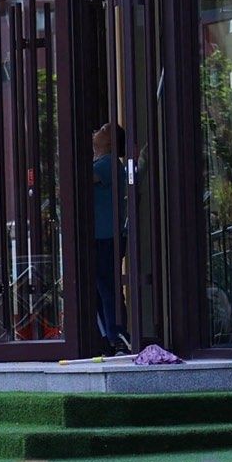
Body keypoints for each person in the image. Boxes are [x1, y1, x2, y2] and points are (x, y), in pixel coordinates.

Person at [90, 123, 126, 350]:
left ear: (110, 142)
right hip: (103, 235)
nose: (96, 131)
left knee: (106, 287)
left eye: (103, 129)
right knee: (103, 287)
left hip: (105, 236)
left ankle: (116, 335)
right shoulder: (102, 163)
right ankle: (110, 335)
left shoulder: (108, 163)